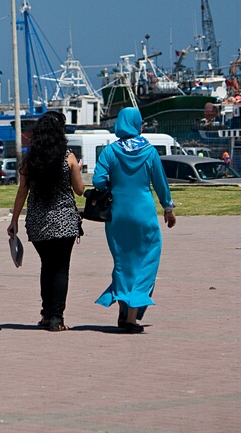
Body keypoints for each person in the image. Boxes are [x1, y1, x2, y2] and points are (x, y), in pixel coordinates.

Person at [92, 107, 176, 334]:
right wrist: (168, 209)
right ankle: (131, 318)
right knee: (147, 262)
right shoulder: (149, 152)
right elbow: (160, 183)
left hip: (118, 215)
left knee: (122, 262)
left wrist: (113, 185)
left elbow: (98, 181)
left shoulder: (109, 151)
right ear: (138, 124)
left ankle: (122, 309)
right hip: (144, 214)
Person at [7, 111, 85, 332]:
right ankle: (56, 318)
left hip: (38, 222)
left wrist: (14, 221)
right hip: (64, 222)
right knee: (61, 269)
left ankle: (46, 313)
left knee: (47, 266)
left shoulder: (30, 160)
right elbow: (80, 191)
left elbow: (22, 191)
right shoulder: (68, 158)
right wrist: (78, 168)